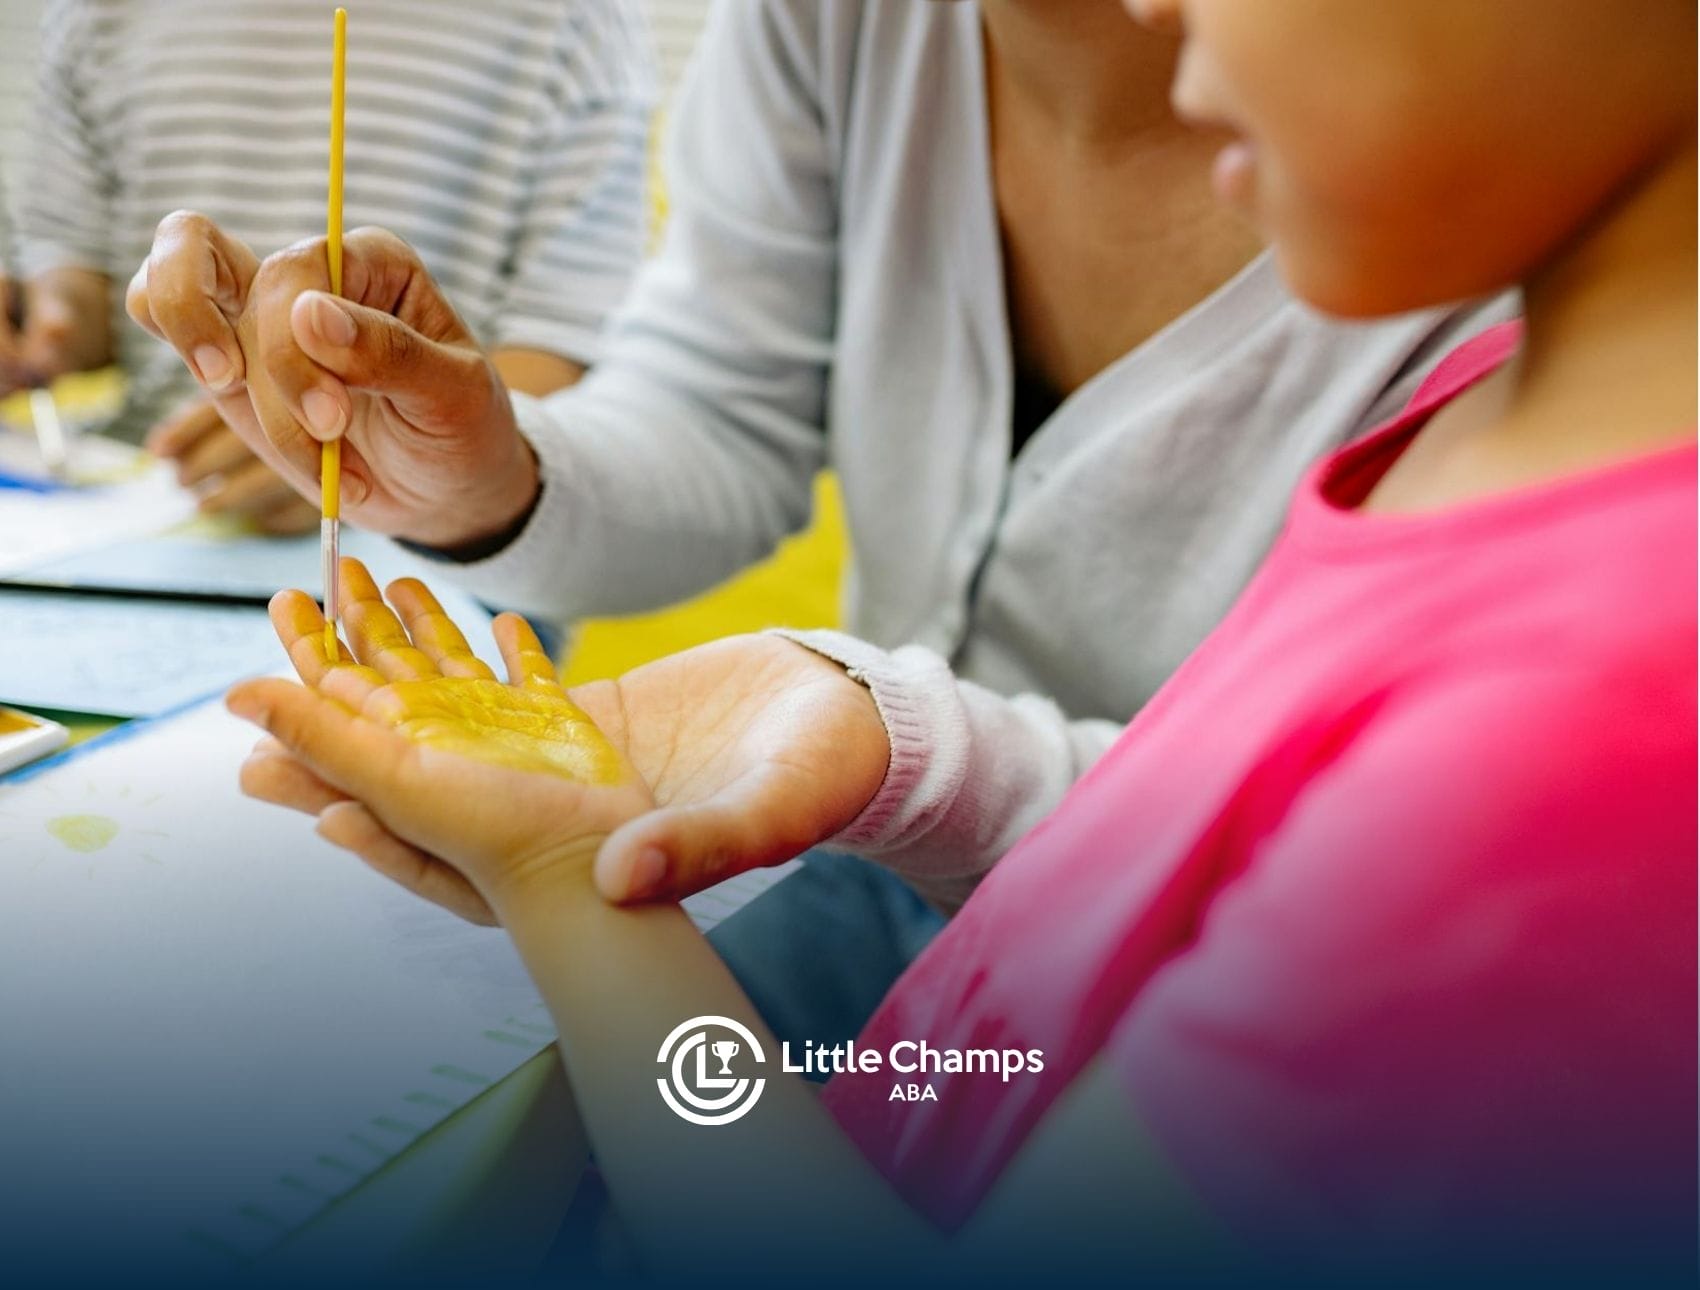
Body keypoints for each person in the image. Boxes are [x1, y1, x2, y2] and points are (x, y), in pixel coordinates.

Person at [187, 0, 1695, 1278]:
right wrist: (907, 743)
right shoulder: (1492, 421)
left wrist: (569, 885)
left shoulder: (1573, 738)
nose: (1156, 12)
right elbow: (1221, 839)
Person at [123, 0, 1510, 1044]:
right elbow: (720, 409)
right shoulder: (826, 25)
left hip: (1173, 972)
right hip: (889, 867)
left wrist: (886, 755)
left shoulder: (1503, 281)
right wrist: (484, 476)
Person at [3, 0, 652, 532]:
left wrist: (396, 460)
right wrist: (49, 321)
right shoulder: (96, 11)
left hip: (443, 546)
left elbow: (572, 347)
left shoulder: (576, 19)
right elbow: (73, 259)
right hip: (142, 508)